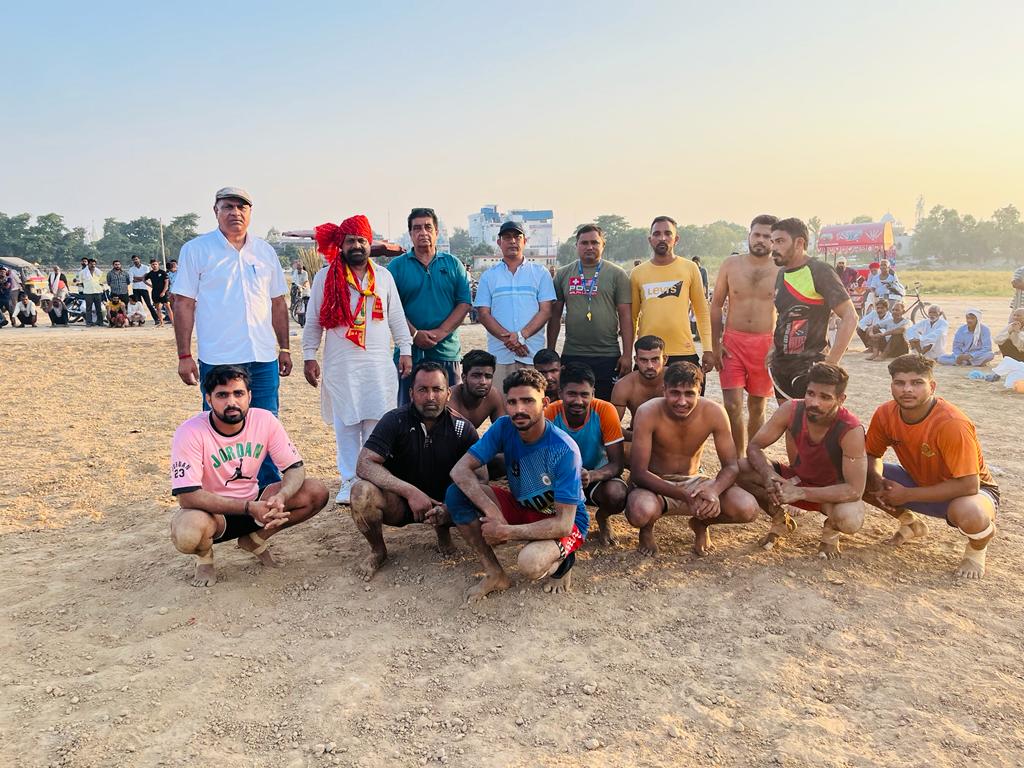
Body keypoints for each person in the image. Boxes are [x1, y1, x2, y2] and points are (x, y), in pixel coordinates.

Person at [173, 187, 292, 490]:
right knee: (219, 427)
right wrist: (184, 355)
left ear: (250, 212)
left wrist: (285, 348)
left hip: (262, 357)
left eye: (242, 207)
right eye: (228, 206)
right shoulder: (197, 250)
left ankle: (266, 491)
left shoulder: (264, 251)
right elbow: (183, 303)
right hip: (219, 358)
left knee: (265, 424)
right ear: (215, 211)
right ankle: (219, 493)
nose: (235, 213)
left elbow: (278, 303)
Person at [169, 365, 329, 587]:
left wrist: (282, 496)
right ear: (208, 399)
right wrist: (248, 508)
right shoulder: (190, 431)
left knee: (316, 491)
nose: (232, 402)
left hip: (257, 502)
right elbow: (187, 497)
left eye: (238, 393)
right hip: (213, 513)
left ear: (249, 396)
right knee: (188, 532)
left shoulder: (264, 420)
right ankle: (204, 557)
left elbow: (295, 468)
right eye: (222, 395)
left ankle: (254, 539)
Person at [446, 368, 588, 602]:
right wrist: (493, 512)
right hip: (523, 506)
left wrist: (506, 531)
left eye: (527, 401)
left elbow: (563, 524)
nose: (519, 409)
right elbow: (459, 471)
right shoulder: (504, 427)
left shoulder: (564, 449)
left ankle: (564, 560)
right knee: (456, 494)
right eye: (512, 402)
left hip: (565, 520)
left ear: (545, 403)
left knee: (530, 564)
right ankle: (494, 573)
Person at [302, 214, 413, 504]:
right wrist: (309, 355)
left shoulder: (384, 277)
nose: (356, 246)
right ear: (341, 244)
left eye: (361, 240)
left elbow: (397, 317)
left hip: (377, 364)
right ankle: (349, 480)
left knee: (377, 422)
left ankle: (374, 478)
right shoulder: (325, 277)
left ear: (369, 243)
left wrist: (406, 349)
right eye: (350, 240)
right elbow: (313, 321)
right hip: (341, 364)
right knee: (346, 424)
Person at [864, 354, 998, 578]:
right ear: (891, 386)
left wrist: (907, 494)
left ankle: (976, 550)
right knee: (854, 472)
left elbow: (969, 485)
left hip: (970, 492)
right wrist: (877, 480)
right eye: (900, 383)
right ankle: (910, 523)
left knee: (971, 514)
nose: (907, 389)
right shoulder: (885, 413)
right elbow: (871, 455)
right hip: (919, 481)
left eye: (917, 383)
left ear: (932, 386)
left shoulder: (952, 423)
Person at [349, 362, 480, 580]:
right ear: (411, 393)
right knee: (360, 493)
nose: (430, 397)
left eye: (437, 389)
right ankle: (378, 550)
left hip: (445, 504)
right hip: (400, 504)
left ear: (448, 393)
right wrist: (410, 492)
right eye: (422, 390)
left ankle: (443, 532)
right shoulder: (394, 420)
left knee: (477, 497)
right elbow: (364, 463)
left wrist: (449, 507)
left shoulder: (462, 428)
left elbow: (481, 478)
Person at [625, 362, 760, 557]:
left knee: (747, 508)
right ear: (664, 390)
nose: (682, 401)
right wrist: (685, 496)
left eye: (689, 394)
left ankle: (701, 523)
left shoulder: (714, 412)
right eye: (675, 393)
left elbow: (731, 466)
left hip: (695, 481)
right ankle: (647, 529)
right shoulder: (648, 412)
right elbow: (639, 473)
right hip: (656, 483)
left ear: (699, 391)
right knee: (639, 511)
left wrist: (713, 490)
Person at [739, 363, 866, 559]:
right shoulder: (791, 409)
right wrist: (769, 475)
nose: (814, 402)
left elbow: (854, 490)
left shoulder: (850, 429)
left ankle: (831, 532)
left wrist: (801, 492)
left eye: (825, 397)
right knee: (741, 468)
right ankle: (781, 520)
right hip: (796, 480)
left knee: (850, 519)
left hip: (829, 493)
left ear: (841, 399)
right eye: (810, 393)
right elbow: (754, 447)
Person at [710, 214, 779, 457]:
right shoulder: (731, 264)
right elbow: (716, 305)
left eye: (767, 236)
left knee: (757, 406)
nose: (761, 240)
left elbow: (787, 310)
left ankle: (752, 456)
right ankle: (737, 458)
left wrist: (777, 345)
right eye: (756, 234)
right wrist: (715, 344)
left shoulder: (781, 269)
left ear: (774, 240)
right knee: (732, 405)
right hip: (733, 343)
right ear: (749, 235)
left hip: (765, 344)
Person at [389, 208, 473, 405]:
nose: (423, 232)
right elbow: (390, 307)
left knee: (449, 411)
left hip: (446, 351)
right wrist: (414, 334)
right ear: (410, 233)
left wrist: (441, 332)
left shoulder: (453, 264)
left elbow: (464, 303)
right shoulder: (396, 267)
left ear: (437, 232)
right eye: (417, 228)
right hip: (408, 354)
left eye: (428, 227)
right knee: (407, 412)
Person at [769, 218, 857, 401]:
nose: (774, 247)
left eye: (780, 241)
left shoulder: (819, 271)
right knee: (789, 418)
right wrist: (772, 349)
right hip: (781, 366)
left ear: (799, 242)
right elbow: (783, 316)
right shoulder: (781, 274)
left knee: (813, 418)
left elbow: (850, 316)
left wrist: (831, 363)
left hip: (809, 367)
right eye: (773, 241)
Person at [547, 224, 633, 400]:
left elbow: (626, 316)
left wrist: (627, 354)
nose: (589, 247)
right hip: (573, 352)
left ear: (603, 245)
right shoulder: (563, 274)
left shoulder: (617, 274)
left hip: (608, 354)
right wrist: (551, 352)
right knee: (573, 404)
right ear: (576, 245)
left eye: (595, 242)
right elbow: (554, 316)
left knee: (604, 404)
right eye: (584, 243)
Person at [544, 363, 626, 546]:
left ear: (593, 394)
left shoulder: (605, 410)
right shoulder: (550, 413)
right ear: (560, 393)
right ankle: (562, 521)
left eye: (584, 394)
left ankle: (603, 517)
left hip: (595, 477)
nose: (578, 401)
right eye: (572, 394)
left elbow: (617, 464)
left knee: (617, 494)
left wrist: (591, 475)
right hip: (560, 478)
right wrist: (565, 475)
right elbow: (540, 458)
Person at [630, 216, 713, 383]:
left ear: (676, 239)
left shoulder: (690, 268)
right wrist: (627, 354)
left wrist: (708, 349)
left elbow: (702, 312)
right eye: (657, 234)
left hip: (683, 351)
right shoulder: (637, 273)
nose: (662, 238)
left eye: (668, 233)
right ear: (650, 239)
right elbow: (632, 317)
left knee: (689, 397)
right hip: (649, 355)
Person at [474, 220, 555, 383]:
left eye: (517, 237)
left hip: (532, 354)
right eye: (507, 237)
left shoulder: (540, 273)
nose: (512, 241)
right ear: (499, 242)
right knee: (500, 398)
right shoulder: (489, 276)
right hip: (500, 356)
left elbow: (546, 311)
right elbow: (483, 314)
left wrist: (521, 336)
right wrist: (509, 341)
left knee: (533, 398)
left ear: (525, 241)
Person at [610, 335, 667, 443]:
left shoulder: (676, 380)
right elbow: (611, 426)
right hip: (636, 435)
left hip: (673, 438)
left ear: (664, 359)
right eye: (644, 360)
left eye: (655, 359)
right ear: (636, 360)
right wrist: (640, 437)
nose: (650, 366)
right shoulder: (624, 386)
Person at [449, 349, 504, 428]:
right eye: (476, 376)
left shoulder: (494, 396)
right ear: (464, 378)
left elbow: (503, 430)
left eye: (488, 376)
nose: (483, 382)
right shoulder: (449, 400)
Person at [128, 254, 160, 324]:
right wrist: (142, 278)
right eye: (134, 260)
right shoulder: (131, 269)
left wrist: (137, 278)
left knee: (149, 304)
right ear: (132, 261)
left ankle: (156, 319)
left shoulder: (145, 267)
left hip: (144, 288)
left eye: (136, 259)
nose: (135, 261)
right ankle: (141, 320)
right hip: (135, 289)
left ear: (139, 259)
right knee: (139, 305)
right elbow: (131, 280)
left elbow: (146, 277)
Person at [146, 258, 173, 325]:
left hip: (163, 292)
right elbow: (144, 279)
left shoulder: (163, 272)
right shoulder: (150, 273)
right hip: (155, 292)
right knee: (158, 308)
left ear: (158, 264)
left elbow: (166, 283)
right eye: (153, 264)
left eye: (155, 264)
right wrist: (150, 285)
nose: (154, 265)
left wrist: (163, 292)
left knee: (168, 307)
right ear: (151, 265)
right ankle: (161, 323)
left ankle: (173, 322)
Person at [79, 258, 106, 326]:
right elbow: (81, 282)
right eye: (91, 264)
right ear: (88, 264)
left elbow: (101, 282)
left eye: (94, 264)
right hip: (88, 292)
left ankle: (100, 322)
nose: (93, 265)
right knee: (88, 309)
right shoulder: (82, 272)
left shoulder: (98, 272)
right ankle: (89, 322)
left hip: (97, 291)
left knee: (99, 308)